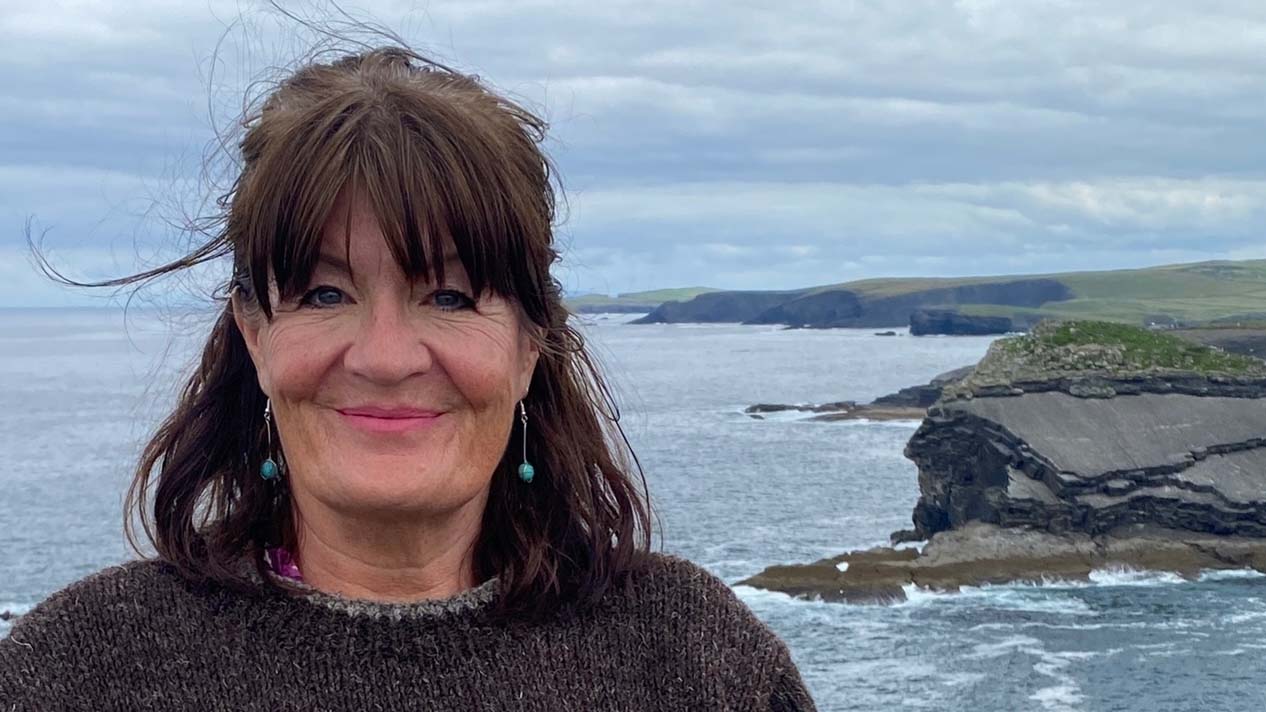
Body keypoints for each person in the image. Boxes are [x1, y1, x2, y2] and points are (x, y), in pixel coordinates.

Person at [0, 45, 817, 710]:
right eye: (325, 293)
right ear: (253, 333)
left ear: (532, 343)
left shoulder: (697, 665)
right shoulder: (73, 674)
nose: (386, 358)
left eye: (451, 296)